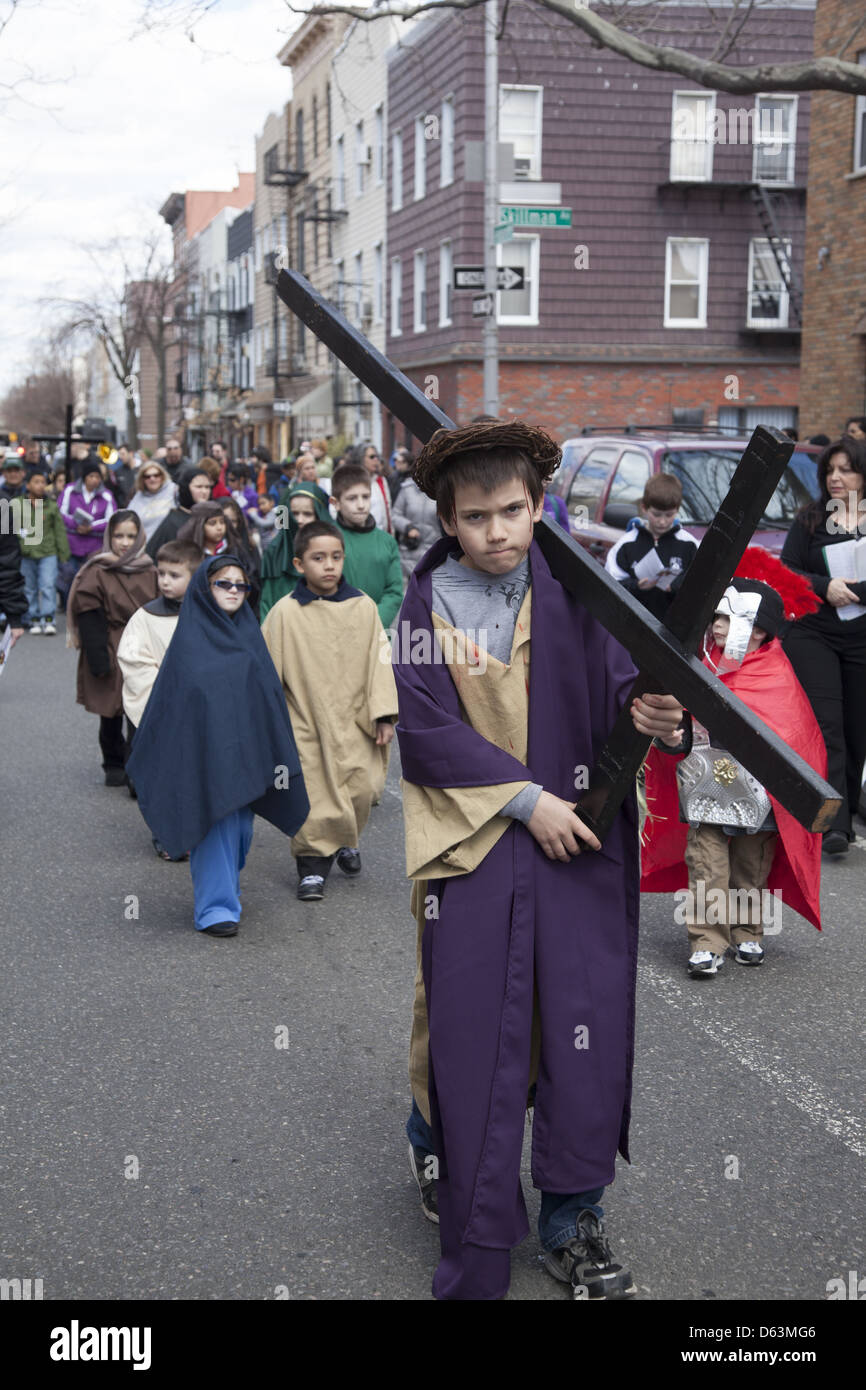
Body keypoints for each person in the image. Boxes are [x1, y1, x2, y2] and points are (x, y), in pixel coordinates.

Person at [393, 418, 684, 1301]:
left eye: (514, 511)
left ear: (539, 504)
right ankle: (441, 1154)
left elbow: (627, 685)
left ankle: (574, 1216)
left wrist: (653, 718)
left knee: (577, 1024)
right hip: (476, 836)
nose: (498, 533)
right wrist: (526, 801)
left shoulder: (576, 586)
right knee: (470, 1022)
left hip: (580, 836)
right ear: (447, 518)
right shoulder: (422, 608)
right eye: (476, 516)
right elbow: (424, 728)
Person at [641, 552, 825, 978]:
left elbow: (799, 739)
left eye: (725, 619)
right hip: (706, 791)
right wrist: (672, 737)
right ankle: (706, 941)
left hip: (759, 801)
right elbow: (681, 728)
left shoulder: (778, 677)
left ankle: (747, 931)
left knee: (750, 868)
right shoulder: (699, 667)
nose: (715, 626)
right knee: (706, 866)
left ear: (757, 630)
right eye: (715, 617)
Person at [125, 554, 309, 936]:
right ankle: (215, 908)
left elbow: (267, 699)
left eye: (240, 584)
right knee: (215, 824)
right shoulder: (189, 643)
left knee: (241, 833)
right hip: (204, 760)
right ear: (204, 589)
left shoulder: (249, 636)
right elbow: (172, 706)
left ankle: (226, 888)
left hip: (248, 757)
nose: (233, 591)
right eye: (223, 583)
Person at [262, 519, 398, 901]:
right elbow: (267, 670)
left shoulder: (364, 607)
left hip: (356, 719)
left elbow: (380, 660)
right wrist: (269, 724)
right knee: (313, 795)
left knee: (363, 786)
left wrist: (384, 714)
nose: (329, 565)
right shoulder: (285, 613)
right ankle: (312, 866)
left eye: (336, 557)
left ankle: (346, 837)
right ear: (299, 564)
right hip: (305, 720)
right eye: (318, 558)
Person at [780, 436, 866, 855]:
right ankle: (835, 824)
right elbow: (787, 570)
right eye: (830, 470)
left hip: (862, 636)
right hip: (815, 633)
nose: (836, 477)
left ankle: (846, 814)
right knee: (829, 726)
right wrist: (823, 585)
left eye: (846, 469)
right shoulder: (811, 518)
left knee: (857, 729)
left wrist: (859, 591)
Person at [117, 538, 203, 857]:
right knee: (165, 776)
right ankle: (166, 835)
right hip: (161, 712)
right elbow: (133, 659)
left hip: (199, 713)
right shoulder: (145, 617)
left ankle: (195, 832)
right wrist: (166, 693)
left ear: (196, 577)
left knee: (195, 775)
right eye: (161, 574)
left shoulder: (209, 614)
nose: (165, 581)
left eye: (175, 575)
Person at [66, 510, 158, 787]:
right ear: (109, 536)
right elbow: (88, 611)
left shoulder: (150, 569)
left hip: (142, 645)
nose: (125, 542)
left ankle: (136, 766)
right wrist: (98, 657)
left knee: (139, 709)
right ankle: (113, 761)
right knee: (110, 710)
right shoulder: (97, 570)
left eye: (131, 536)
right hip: (109, 643)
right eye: (119, 535)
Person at [604, 473, 699, 619]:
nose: (662, 521)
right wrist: (637, 586)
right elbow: (609, 585)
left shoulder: (689, 544)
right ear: (644, 508)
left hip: (674, 630)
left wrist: (674, 586)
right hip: (631, 625)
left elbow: (700, 583)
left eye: (669, 515)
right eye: (657, 514)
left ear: (677, 509)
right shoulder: (626, 544)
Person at [330, 464, 403, 630]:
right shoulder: (327, 540)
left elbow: (394, 591)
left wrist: (372, 621)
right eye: (352, 498)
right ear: (336, 503)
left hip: (376, 631)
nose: (361, 505)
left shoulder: (387, 541)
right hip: (335, 630)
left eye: (366, 497)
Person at [259, 481, 332, 619]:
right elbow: (267, 604)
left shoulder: (334, 549)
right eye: (294, 513)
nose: (300, 520)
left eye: (307, 514)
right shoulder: (276, 550)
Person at [58, 456, 117, 606]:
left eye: (98, 477)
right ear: (84, 477)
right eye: (91, 476)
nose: (95, 480)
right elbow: (61, 512)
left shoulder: (106, 495)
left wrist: (92, 527)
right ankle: (67, 604)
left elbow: (111, 518)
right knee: (68, 575)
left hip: (94, 544)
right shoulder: (70, 490)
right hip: (72, 541)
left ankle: (87, 605)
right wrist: (75, 525)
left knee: (91, 577)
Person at [18, 467, 70, 635]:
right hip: (26, 553)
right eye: (36, 482)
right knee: (29, 588)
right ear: (28, 485)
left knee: (48, 586)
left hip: (48, 552)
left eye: (43, 482)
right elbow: (11, 529)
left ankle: (48, 619)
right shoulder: (18, 504)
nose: (40, 486)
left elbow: (59, 530)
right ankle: (33, 618)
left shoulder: (51, 506)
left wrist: (63, 552)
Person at [145, 470, 212, 558]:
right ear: (186, 488)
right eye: (199, 487)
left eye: (207, 487)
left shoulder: (212, 515)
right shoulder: (173, 520)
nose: (204, 492)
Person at [390, 472, 440, 583]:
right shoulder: (407, 489)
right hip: (408, 551)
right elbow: (395, 515)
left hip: (433, 553)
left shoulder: (442, 490)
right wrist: (407, 527)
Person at [127, 461, 177, 544]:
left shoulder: (174, 490)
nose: (152, 479)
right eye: (147, 476)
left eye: (156, 475)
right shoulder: (137, 497)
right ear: (142, 479)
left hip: (169, 545)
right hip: (146, 547)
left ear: (162, 476)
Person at [348, 442, 392, 532]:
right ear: (360, 458)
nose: (376, 460)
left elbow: (388, 511)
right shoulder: (351, 482)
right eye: (372, 457)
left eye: (377, 456)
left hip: (382, 537)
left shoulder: (381, 481)